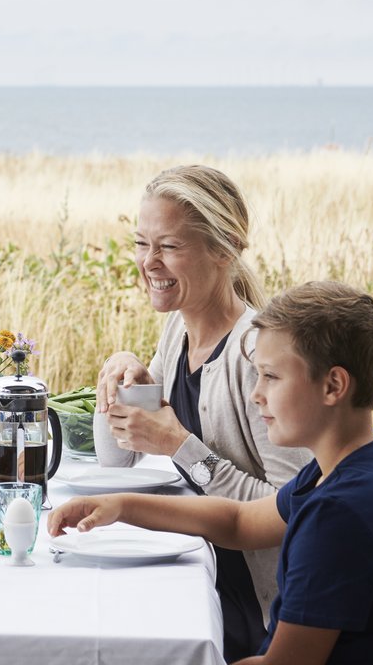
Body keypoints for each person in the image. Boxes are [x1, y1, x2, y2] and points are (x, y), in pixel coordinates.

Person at [53, 282, 373, 665]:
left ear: (333, 385)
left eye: (270, 377)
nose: (256, 394)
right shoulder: (357, 464)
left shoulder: (339, 515)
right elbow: (239, 521)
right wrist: (118, 506)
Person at [94, 165, 310, 661]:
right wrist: (118, 374)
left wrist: (177, 444)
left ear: (225, 248)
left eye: (168, 247)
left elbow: (290, 511)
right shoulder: (178, 332)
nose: (149, 263)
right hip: (195, 570)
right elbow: (117, 459)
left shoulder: (260, 355)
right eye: (141, 244)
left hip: (256, 610)